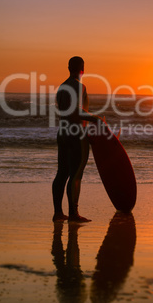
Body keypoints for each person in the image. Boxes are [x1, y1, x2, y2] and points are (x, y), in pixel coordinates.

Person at [52, 56, 100, 223]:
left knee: (62, 173)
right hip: (76, 134)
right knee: (76, 174)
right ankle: (74, 214)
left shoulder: (62, 87)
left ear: (68, 68)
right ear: (83, 69)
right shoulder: (79, 86)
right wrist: (96, 118)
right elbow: (76, 112)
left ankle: (58, 213)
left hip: (63, 132)